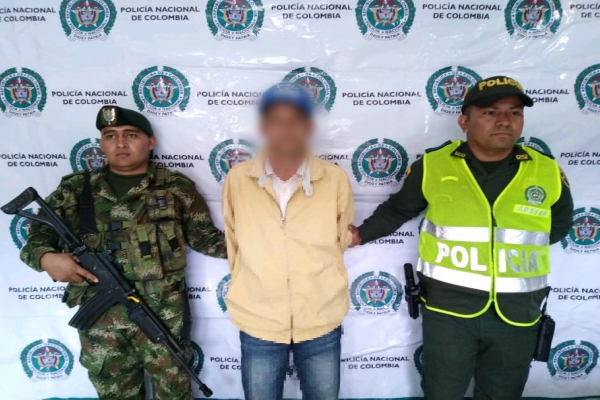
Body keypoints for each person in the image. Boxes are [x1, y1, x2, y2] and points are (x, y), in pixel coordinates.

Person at [349, 76, 574, 399]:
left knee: (503, 394)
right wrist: (360, 235)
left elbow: (559, 226)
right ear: (464, 122)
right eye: (490, 112)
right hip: (449, 311)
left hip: (518, 313)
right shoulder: (433, 166)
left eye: (514, 113)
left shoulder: (547, 170)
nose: (504, 121)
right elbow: (397, 210)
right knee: (443, 392)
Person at [20, 106, 227, 400]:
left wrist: (266, 247)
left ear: (150, 142)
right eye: (110, 136)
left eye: (131, 135)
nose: (120, 143)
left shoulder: (175, 188)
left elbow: (206, 239)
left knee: (174, 392)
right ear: (101, 144)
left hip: (162, 315)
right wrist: (46, 258)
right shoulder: (76, 189)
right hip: (99, 318)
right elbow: (38, 236)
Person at [222, 82, 355, 400]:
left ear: (308, 126)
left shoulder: (334, 178)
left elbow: (341, 239)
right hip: (259, 319)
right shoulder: (238, 179)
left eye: (295, 120)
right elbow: (234, 242)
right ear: (264, 127)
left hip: (321, 316)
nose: (286, 129)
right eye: (276, 120)